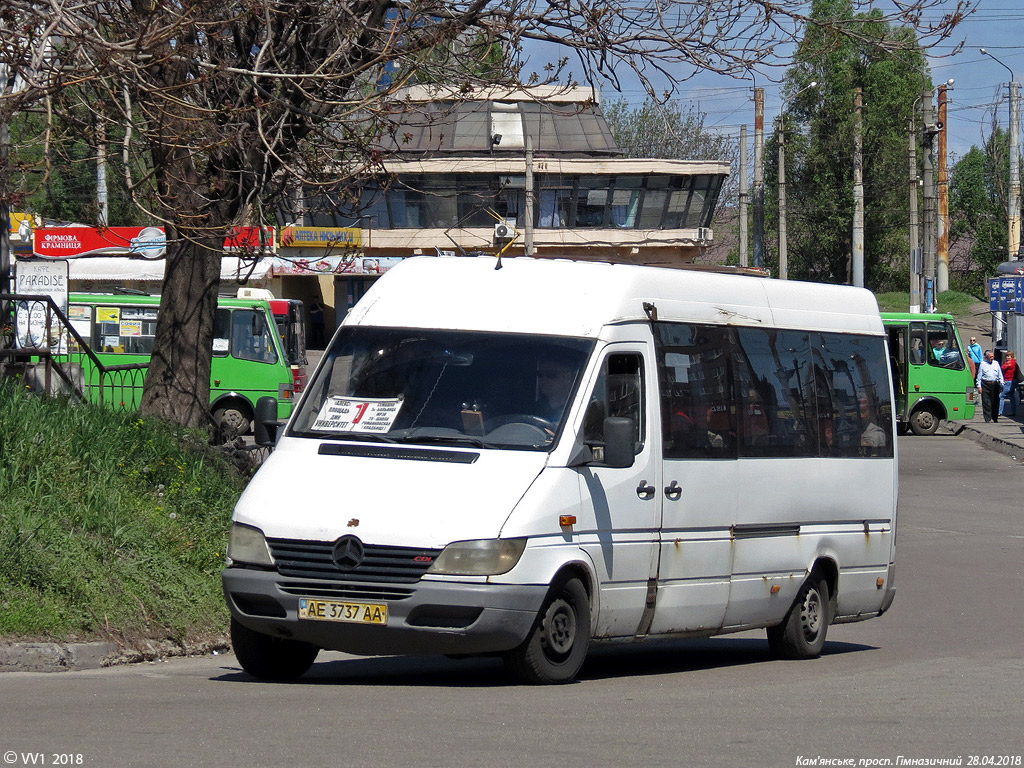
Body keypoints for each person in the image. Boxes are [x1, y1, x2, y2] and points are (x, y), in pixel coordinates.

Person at [534, 357, 576, 422]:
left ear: (567, 377)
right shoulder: (534, 409)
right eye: (540, 375)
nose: (544, 380)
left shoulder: (580, 408)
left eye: (551, 375)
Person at [976, 349, 1005, 423]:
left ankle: (995, 417)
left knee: (995, 401)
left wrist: (1001, 384)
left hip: (995, 384)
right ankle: (987, 418)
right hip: (985, 384)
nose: (992, 358)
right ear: (986, 357)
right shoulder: (982, 364)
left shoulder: (996, 363)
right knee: (986, 402)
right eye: (990, 357)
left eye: (993, 356)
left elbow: (1000, 374)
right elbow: (979, 376)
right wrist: (979, 386)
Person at [1001, 351, 1019, 417]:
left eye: (1009, 356)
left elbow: (1002, 367)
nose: (1007, 357)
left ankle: (1000, 411)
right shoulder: (1015, 363)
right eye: (1007, 356)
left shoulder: (1010, 363)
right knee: (1011, 396)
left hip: (1009, 381)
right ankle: (1013, 411)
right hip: (1013, 381)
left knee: (1001, 396)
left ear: (1012, 356)